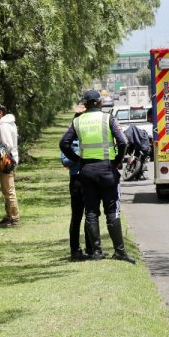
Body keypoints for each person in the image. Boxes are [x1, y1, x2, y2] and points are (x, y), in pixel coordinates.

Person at [59, 90, 134, 263]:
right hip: (107, 168)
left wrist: (77, 159)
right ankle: (119, 251)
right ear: (100, 103)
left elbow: (64, 143)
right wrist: (117, 160)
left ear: (85, 104)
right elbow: (123, 141)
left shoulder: (78, 121)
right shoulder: (108, 118)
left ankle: (97, 252)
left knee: (91, 211)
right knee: (111, 210)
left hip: (87, 170)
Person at [60, 105, 101, 261]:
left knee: (91, 214)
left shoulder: (92, 136)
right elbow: (64, 160)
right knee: (77, 216)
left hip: (91, 178)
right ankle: (75, 250)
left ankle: (91, 248)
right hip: (77, 179)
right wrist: (79, 156)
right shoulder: (69, 139)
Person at [0, 104, 20, 228]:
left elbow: (8, 145)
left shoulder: (3, 126)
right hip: (9, 159)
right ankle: (9, 216)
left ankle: (14, 219)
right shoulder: (7, 124)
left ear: (0, 112)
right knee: (6, 190)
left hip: (6, 161)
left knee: (9, 191)